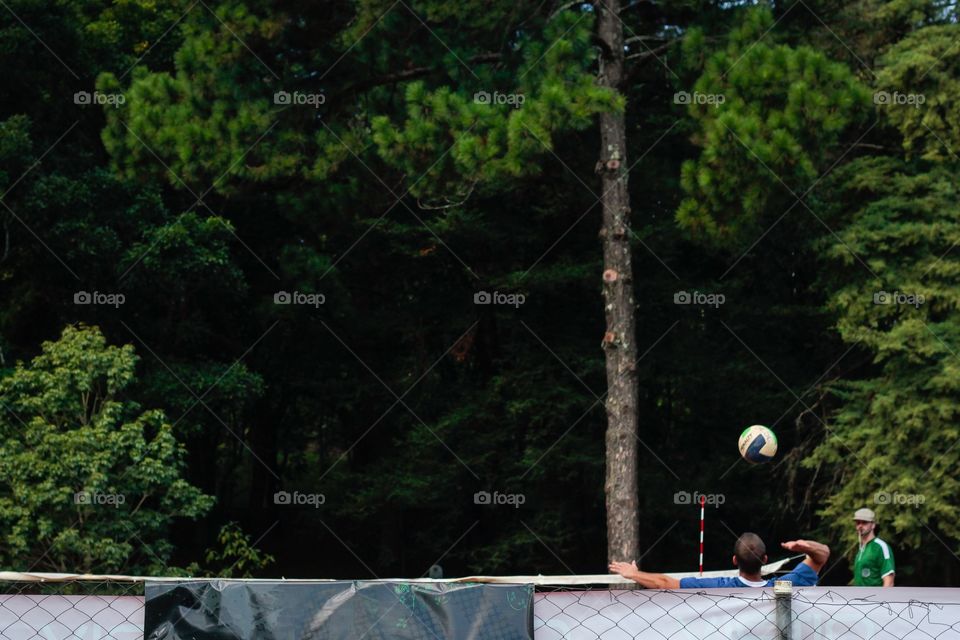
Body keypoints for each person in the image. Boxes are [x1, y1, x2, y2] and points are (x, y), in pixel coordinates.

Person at [608, 532, 830, 589]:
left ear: (734, 560)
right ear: (765, 559)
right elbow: (823, 554)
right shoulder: (782, 587)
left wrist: (633, 574)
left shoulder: (716, 588)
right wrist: (805, 546)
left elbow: (665, 583)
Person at [852, 507, 895, 587]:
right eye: (858, 523)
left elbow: (889, 581)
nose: (860, 526)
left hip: (875, 599)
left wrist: (883, 599)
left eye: (864, 522)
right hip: (858, 598)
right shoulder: (861, 548)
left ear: (873, 525)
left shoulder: (881, 547)